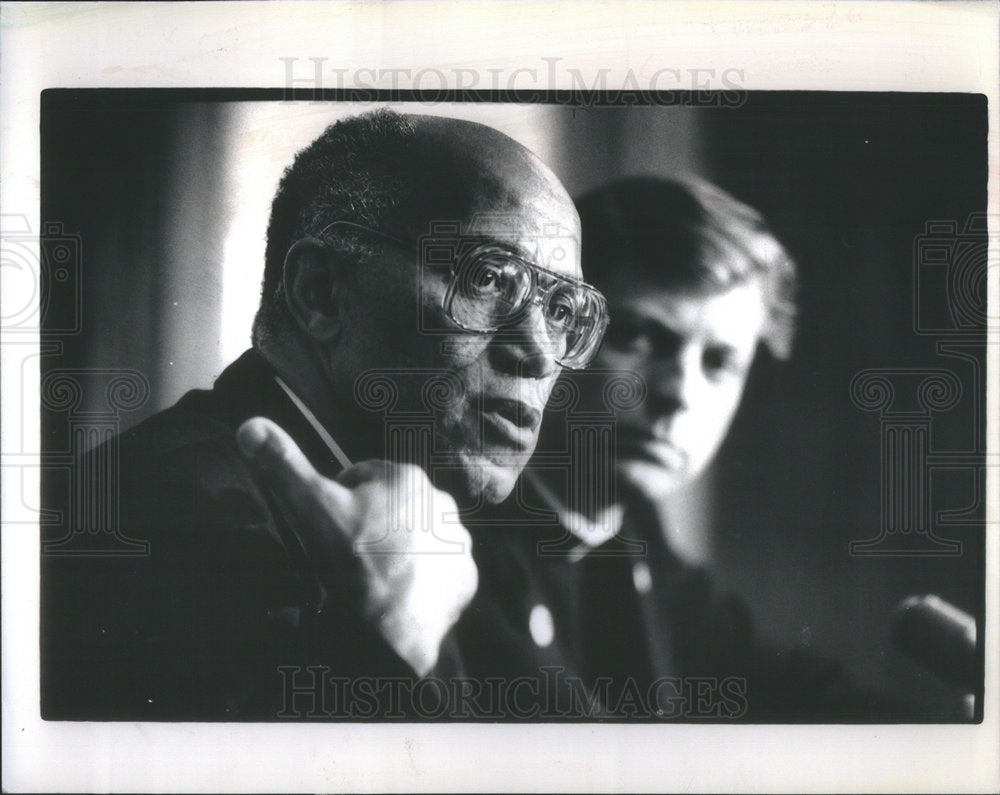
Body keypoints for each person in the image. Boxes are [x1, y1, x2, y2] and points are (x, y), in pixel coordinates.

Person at [40, 109, 610, 719]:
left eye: (560, 311)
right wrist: (392, 642)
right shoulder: (162, 514)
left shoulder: (453, 541)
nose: (538, 353)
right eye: (490, 278)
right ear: (321, 292)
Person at [458, 176, 955, 720]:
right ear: (550, 330)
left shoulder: (639, 542)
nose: (679, 394)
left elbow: (781, 688)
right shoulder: (444, 540)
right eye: (636, 336)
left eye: (719, 363)